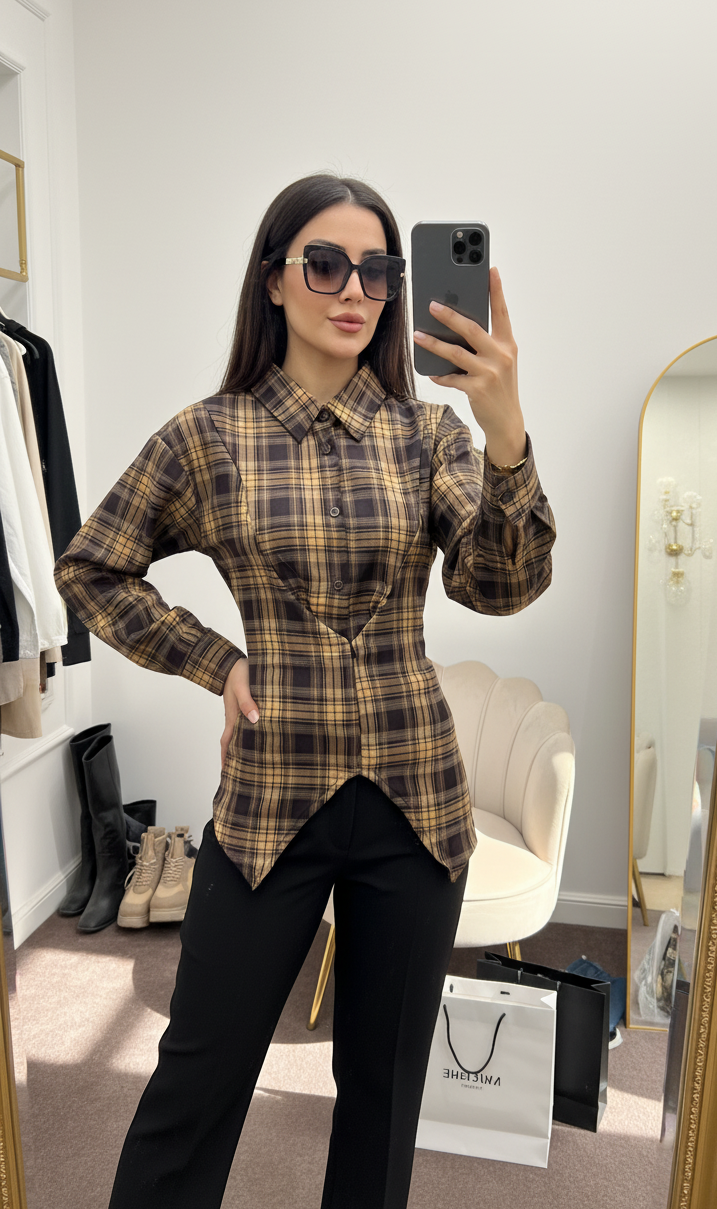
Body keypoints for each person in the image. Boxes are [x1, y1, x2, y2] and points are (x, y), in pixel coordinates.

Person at [54, 173, 556, 1209]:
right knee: (197, 1083)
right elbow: (91, 569)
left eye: (377, 270)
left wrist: (505, 434)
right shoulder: (209, 436)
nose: (354, 290)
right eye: (325, 264)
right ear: (274, 281)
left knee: (383, 1096)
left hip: (417, 805)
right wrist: (216, 661)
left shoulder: (431, 436)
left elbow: (499, 586)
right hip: (270, 799)